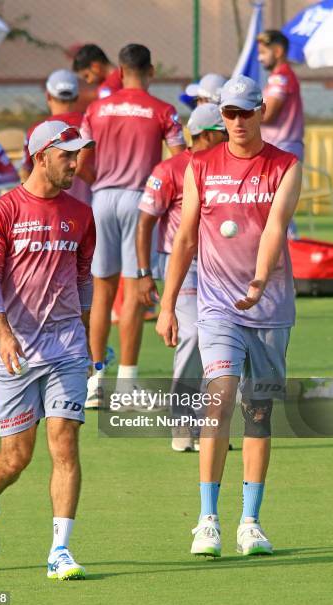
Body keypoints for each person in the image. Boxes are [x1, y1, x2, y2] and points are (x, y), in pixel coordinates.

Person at [156, 75, 301, 557]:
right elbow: (184, 239)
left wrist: (259, 282)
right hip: (217, 305)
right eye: (230, 113)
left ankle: (251, 522)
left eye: (245, 112)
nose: (237, 121)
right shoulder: (200, 165)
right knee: (219, 399)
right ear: (221, 116)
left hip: (269, 305)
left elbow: (275, 228)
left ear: (261, 111)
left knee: (258, 413)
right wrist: (166, 303)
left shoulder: (285, 166)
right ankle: (207, 521)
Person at [0, 120, 96, 580]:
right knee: (14, 459)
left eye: (78, 153)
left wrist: (87, 339)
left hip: (66, 347)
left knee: (65, 442)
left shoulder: (82, 213)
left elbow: (83, 277)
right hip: (17, 350)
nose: (75, 162)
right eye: (67, 155)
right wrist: (2, 332)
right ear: (41, 155)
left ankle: (60, 550)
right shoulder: (2, 212)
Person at [79, 43, 185, 408]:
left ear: (120, 72)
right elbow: (180, 162)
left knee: (101, 294)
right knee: (133, 296)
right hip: (140, 202)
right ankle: (126, 387)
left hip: (102, 199)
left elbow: (80, 162)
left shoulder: (96, 108)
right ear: (151, 71)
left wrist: (100, 182)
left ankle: (95, 384)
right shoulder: (163, 111)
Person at [136, 103, 228, 451]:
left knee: (221, 339)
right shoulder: (170, 168)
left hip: (222, 264)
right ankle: (181, 424)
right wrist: (143, 272)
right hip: (180, 263)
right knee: (191, 335)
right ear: (204, 135)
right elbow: (145, 222)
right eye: (221, 131)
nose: (228, 135)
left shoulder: (229, 166)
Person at [21, 69, 93, 205]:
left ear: (48, 96)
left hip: (48, 210)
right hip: (92, 208)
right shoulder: (93, 124)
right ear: (77, 97)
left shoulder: (36, 132)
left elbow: (26, 173)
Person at [257, 30, 304, 162]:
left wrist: (241, 115)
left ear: (277, 52)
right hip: (282, 148)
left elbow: (267, 115)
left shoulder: (280, 77)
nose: (259, 58)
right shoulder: (282, 76)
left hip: (281, 150)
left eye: (263, 53)